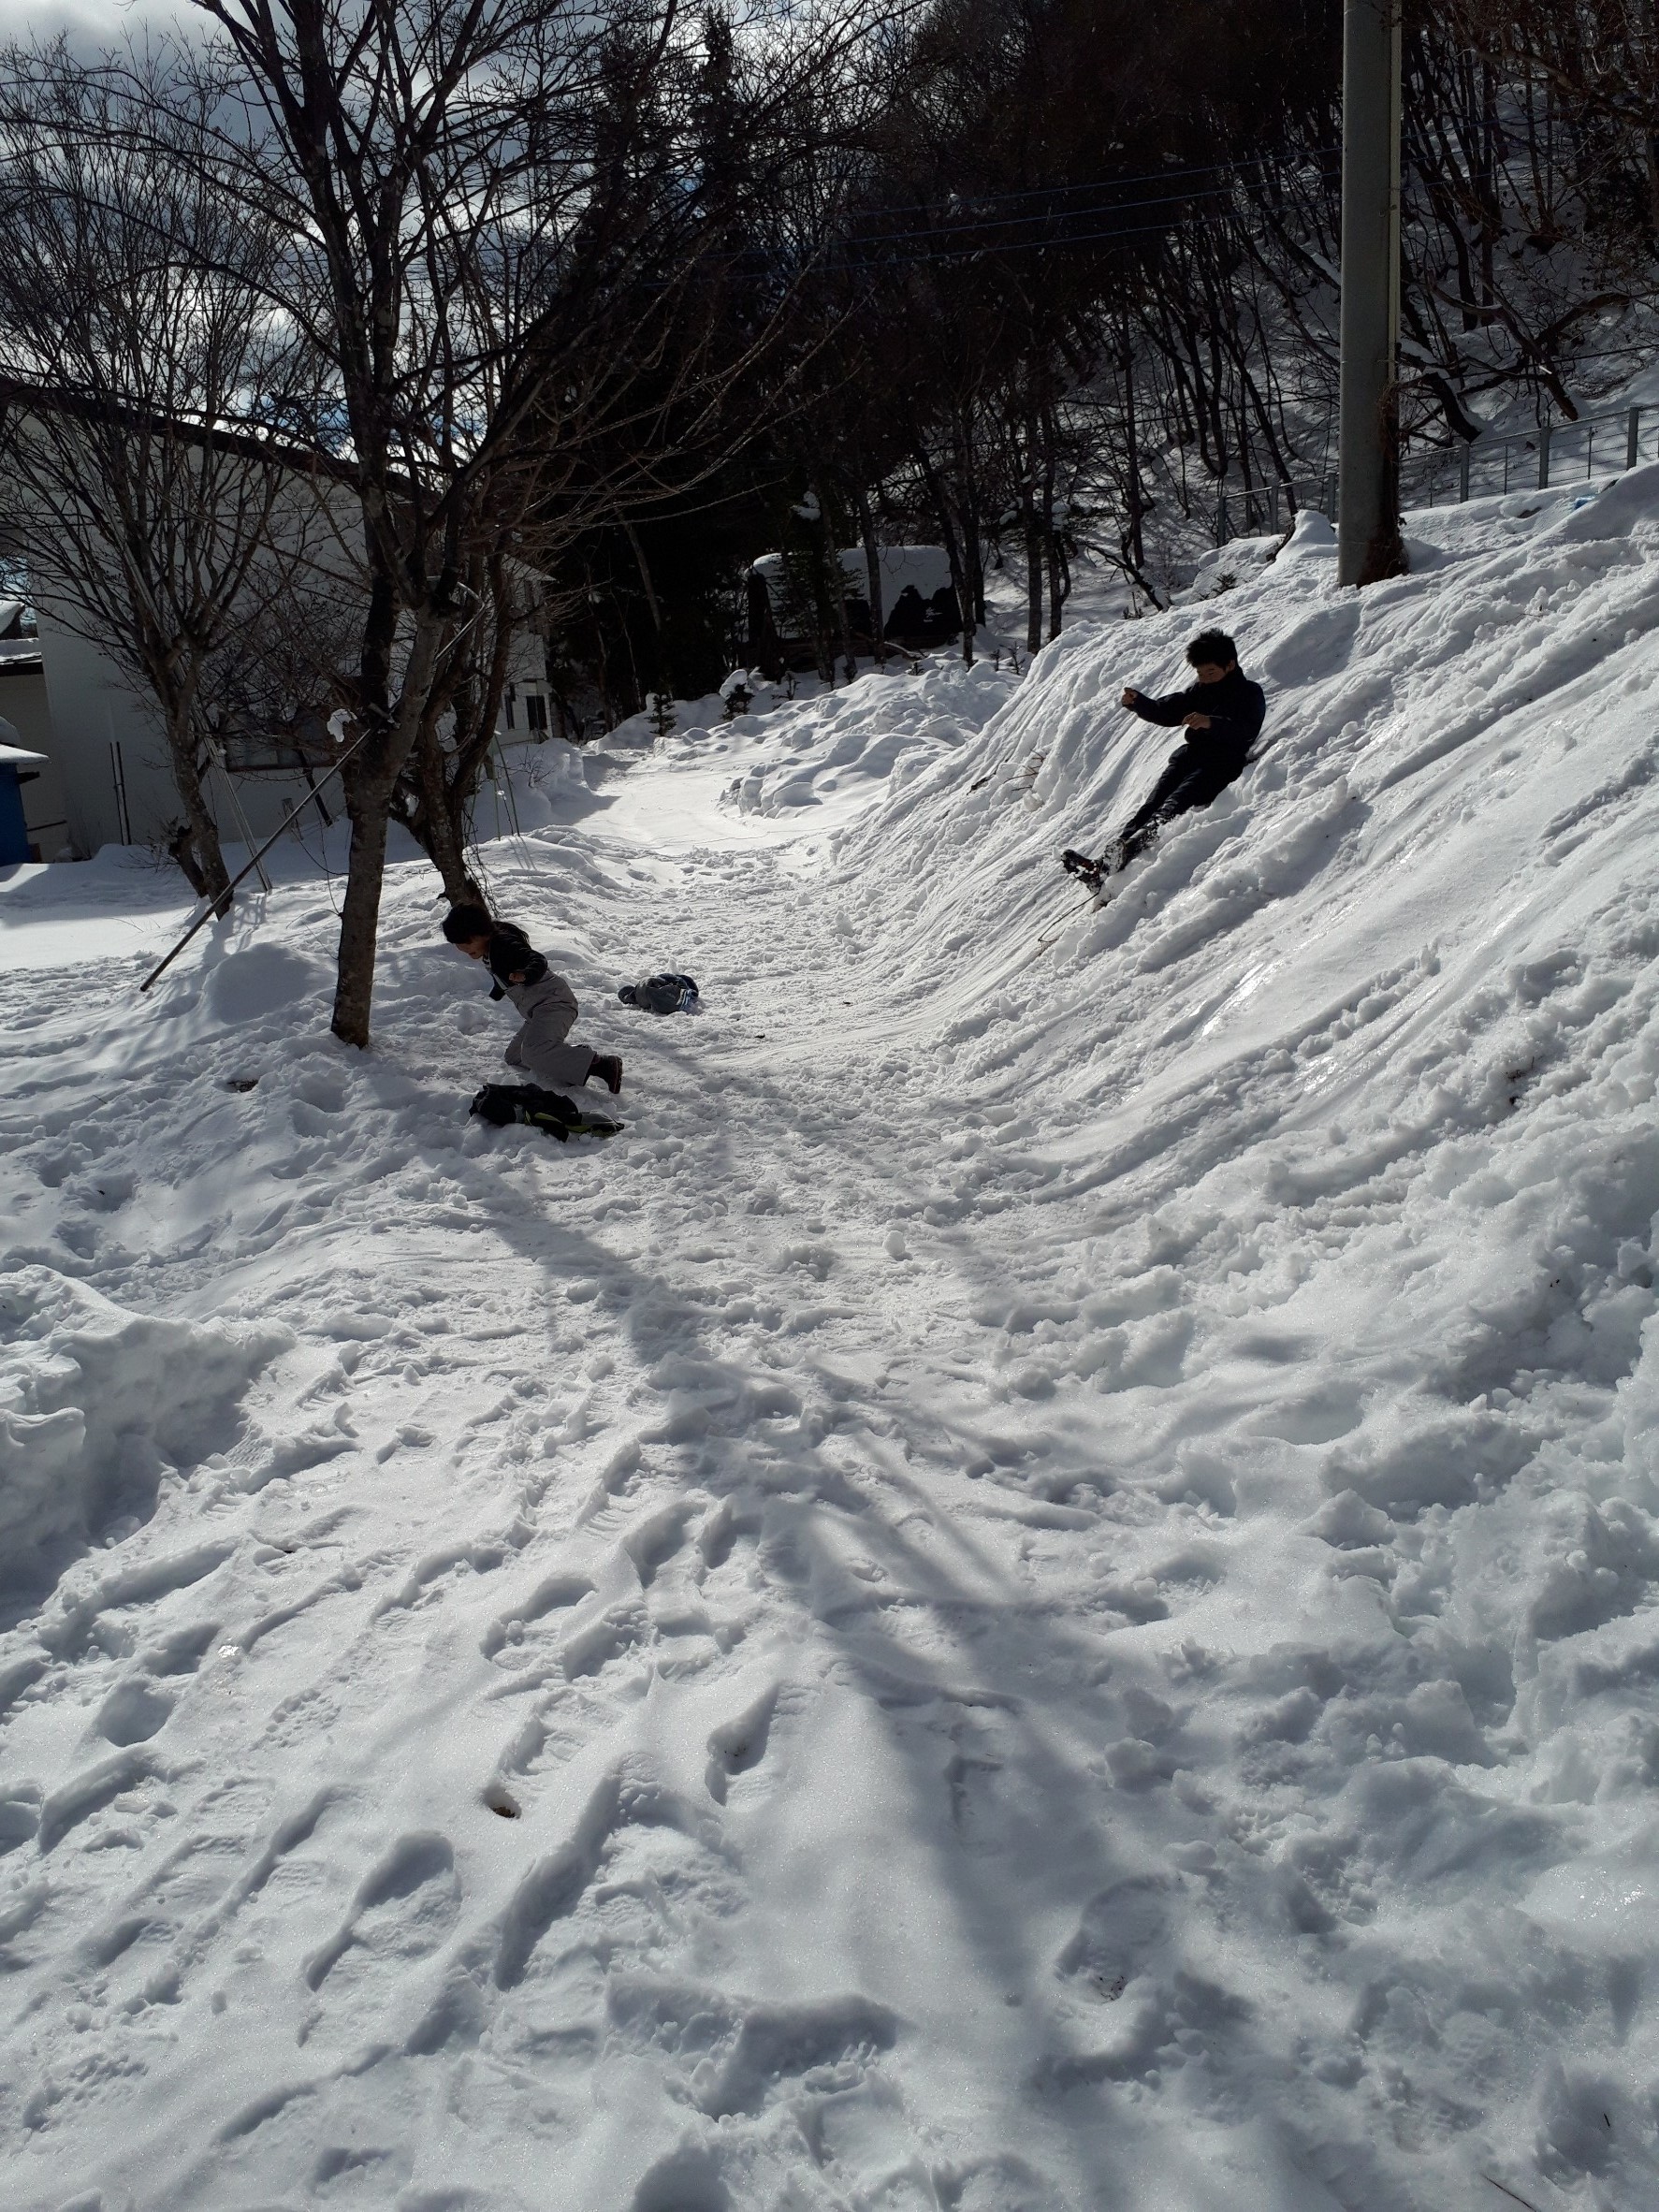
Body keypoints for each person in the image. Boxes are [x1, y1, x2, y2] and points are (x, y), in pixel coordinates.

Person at [1060, 628, 1266, 893]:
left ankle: (1130, 851)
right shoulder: (1200, 690)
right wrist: (1140, 703)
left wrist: (1211, 723)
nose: (1205, 678)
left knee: (1172, 806)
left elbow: (1246, 730)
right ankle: (1102, 866)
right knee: (1151, 805)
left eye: (1211, 672)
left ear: (1230, 665)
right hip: (1190, 757)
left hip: (1220, 762)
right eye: (1200, 673)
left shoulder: (1249, 693)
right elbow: (1169, 710)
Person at [441, 903, 622, 1096]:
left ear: (481, 932)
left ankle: (602, 1065)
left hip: (555, 1003)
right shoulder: (490, 949)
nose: (461, 948)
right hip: (537, 1011)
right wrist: (498, 991)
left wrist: (526, 975)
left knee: (532, 1052)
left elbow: (537, 960)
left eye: (465, 942)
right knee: (515, 1056)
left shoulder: (504, 945)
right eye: (457, 944)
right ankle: (571, 1055)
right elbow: (502, 973)